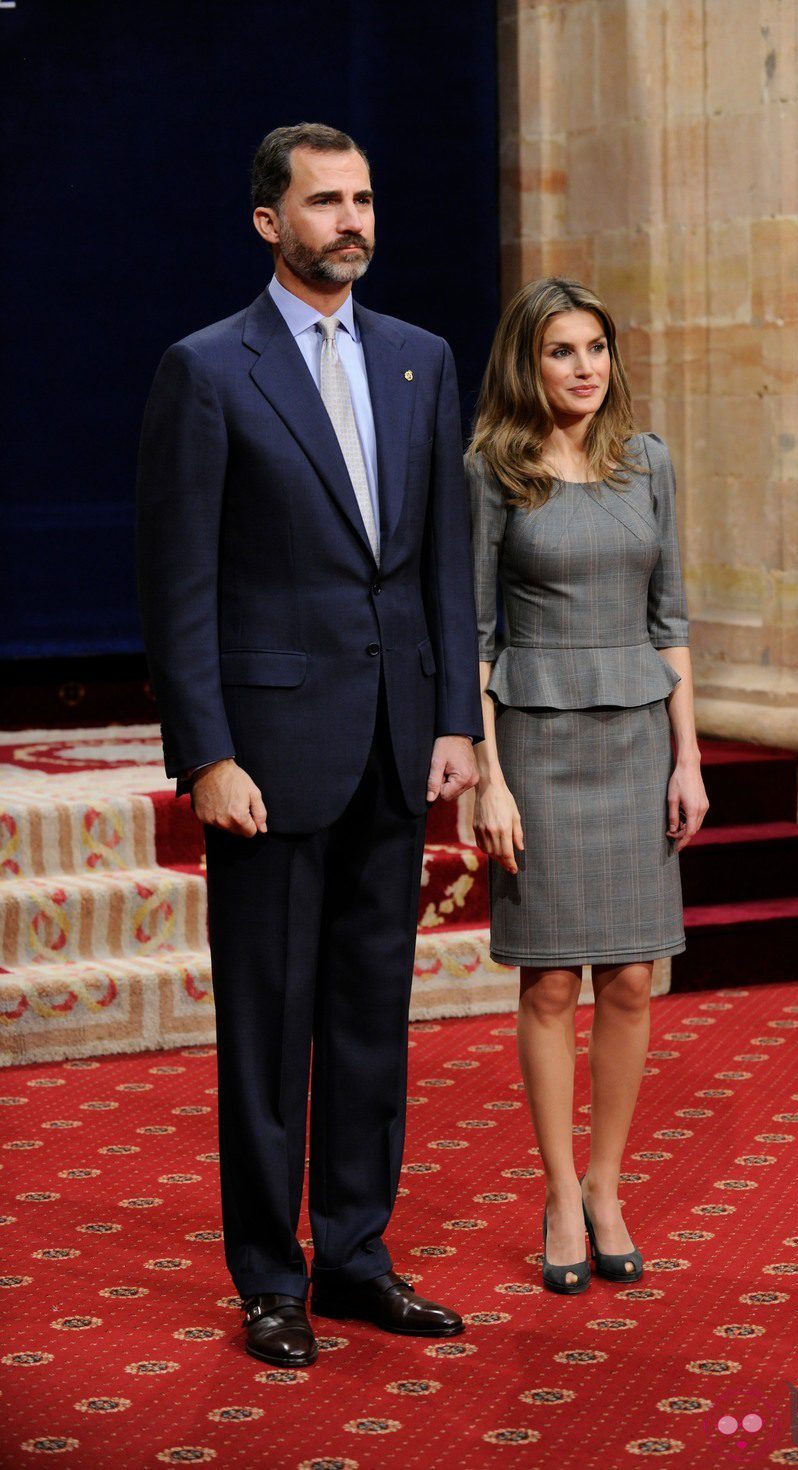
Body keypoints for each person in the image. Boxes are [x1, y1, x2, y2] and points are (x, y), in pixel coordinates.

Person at [136, 123, 483, 1366]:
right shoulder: (207, 369)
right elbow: (178, 583)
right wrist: (205, 754)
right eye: (325, 201)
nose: (353, 220)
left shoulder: (420, 360)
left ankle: (353, 1256)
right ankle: (267, 1277)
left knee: (366, 1023)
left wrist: (456, 719)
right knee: (269, 1030)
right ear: (268, 223)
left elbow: (441, 554)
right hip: (269, 756)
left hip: (398, 742)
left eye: (364, 199)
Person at [467, 278, 709, 1294]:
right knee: (552, 979)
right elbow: (474, 639)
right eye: (561, 351)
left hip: (634, 740)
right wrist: (488, 778)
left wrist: (687, 755)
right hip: (534, 742)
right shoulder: (493, 469)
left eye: (596, 348)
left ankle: (608, 1184)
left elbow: (670, 620)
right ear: (528, 362)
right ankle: (559, 1191)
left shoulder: (643, 461)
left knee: (629, 977)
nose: (583, 368)